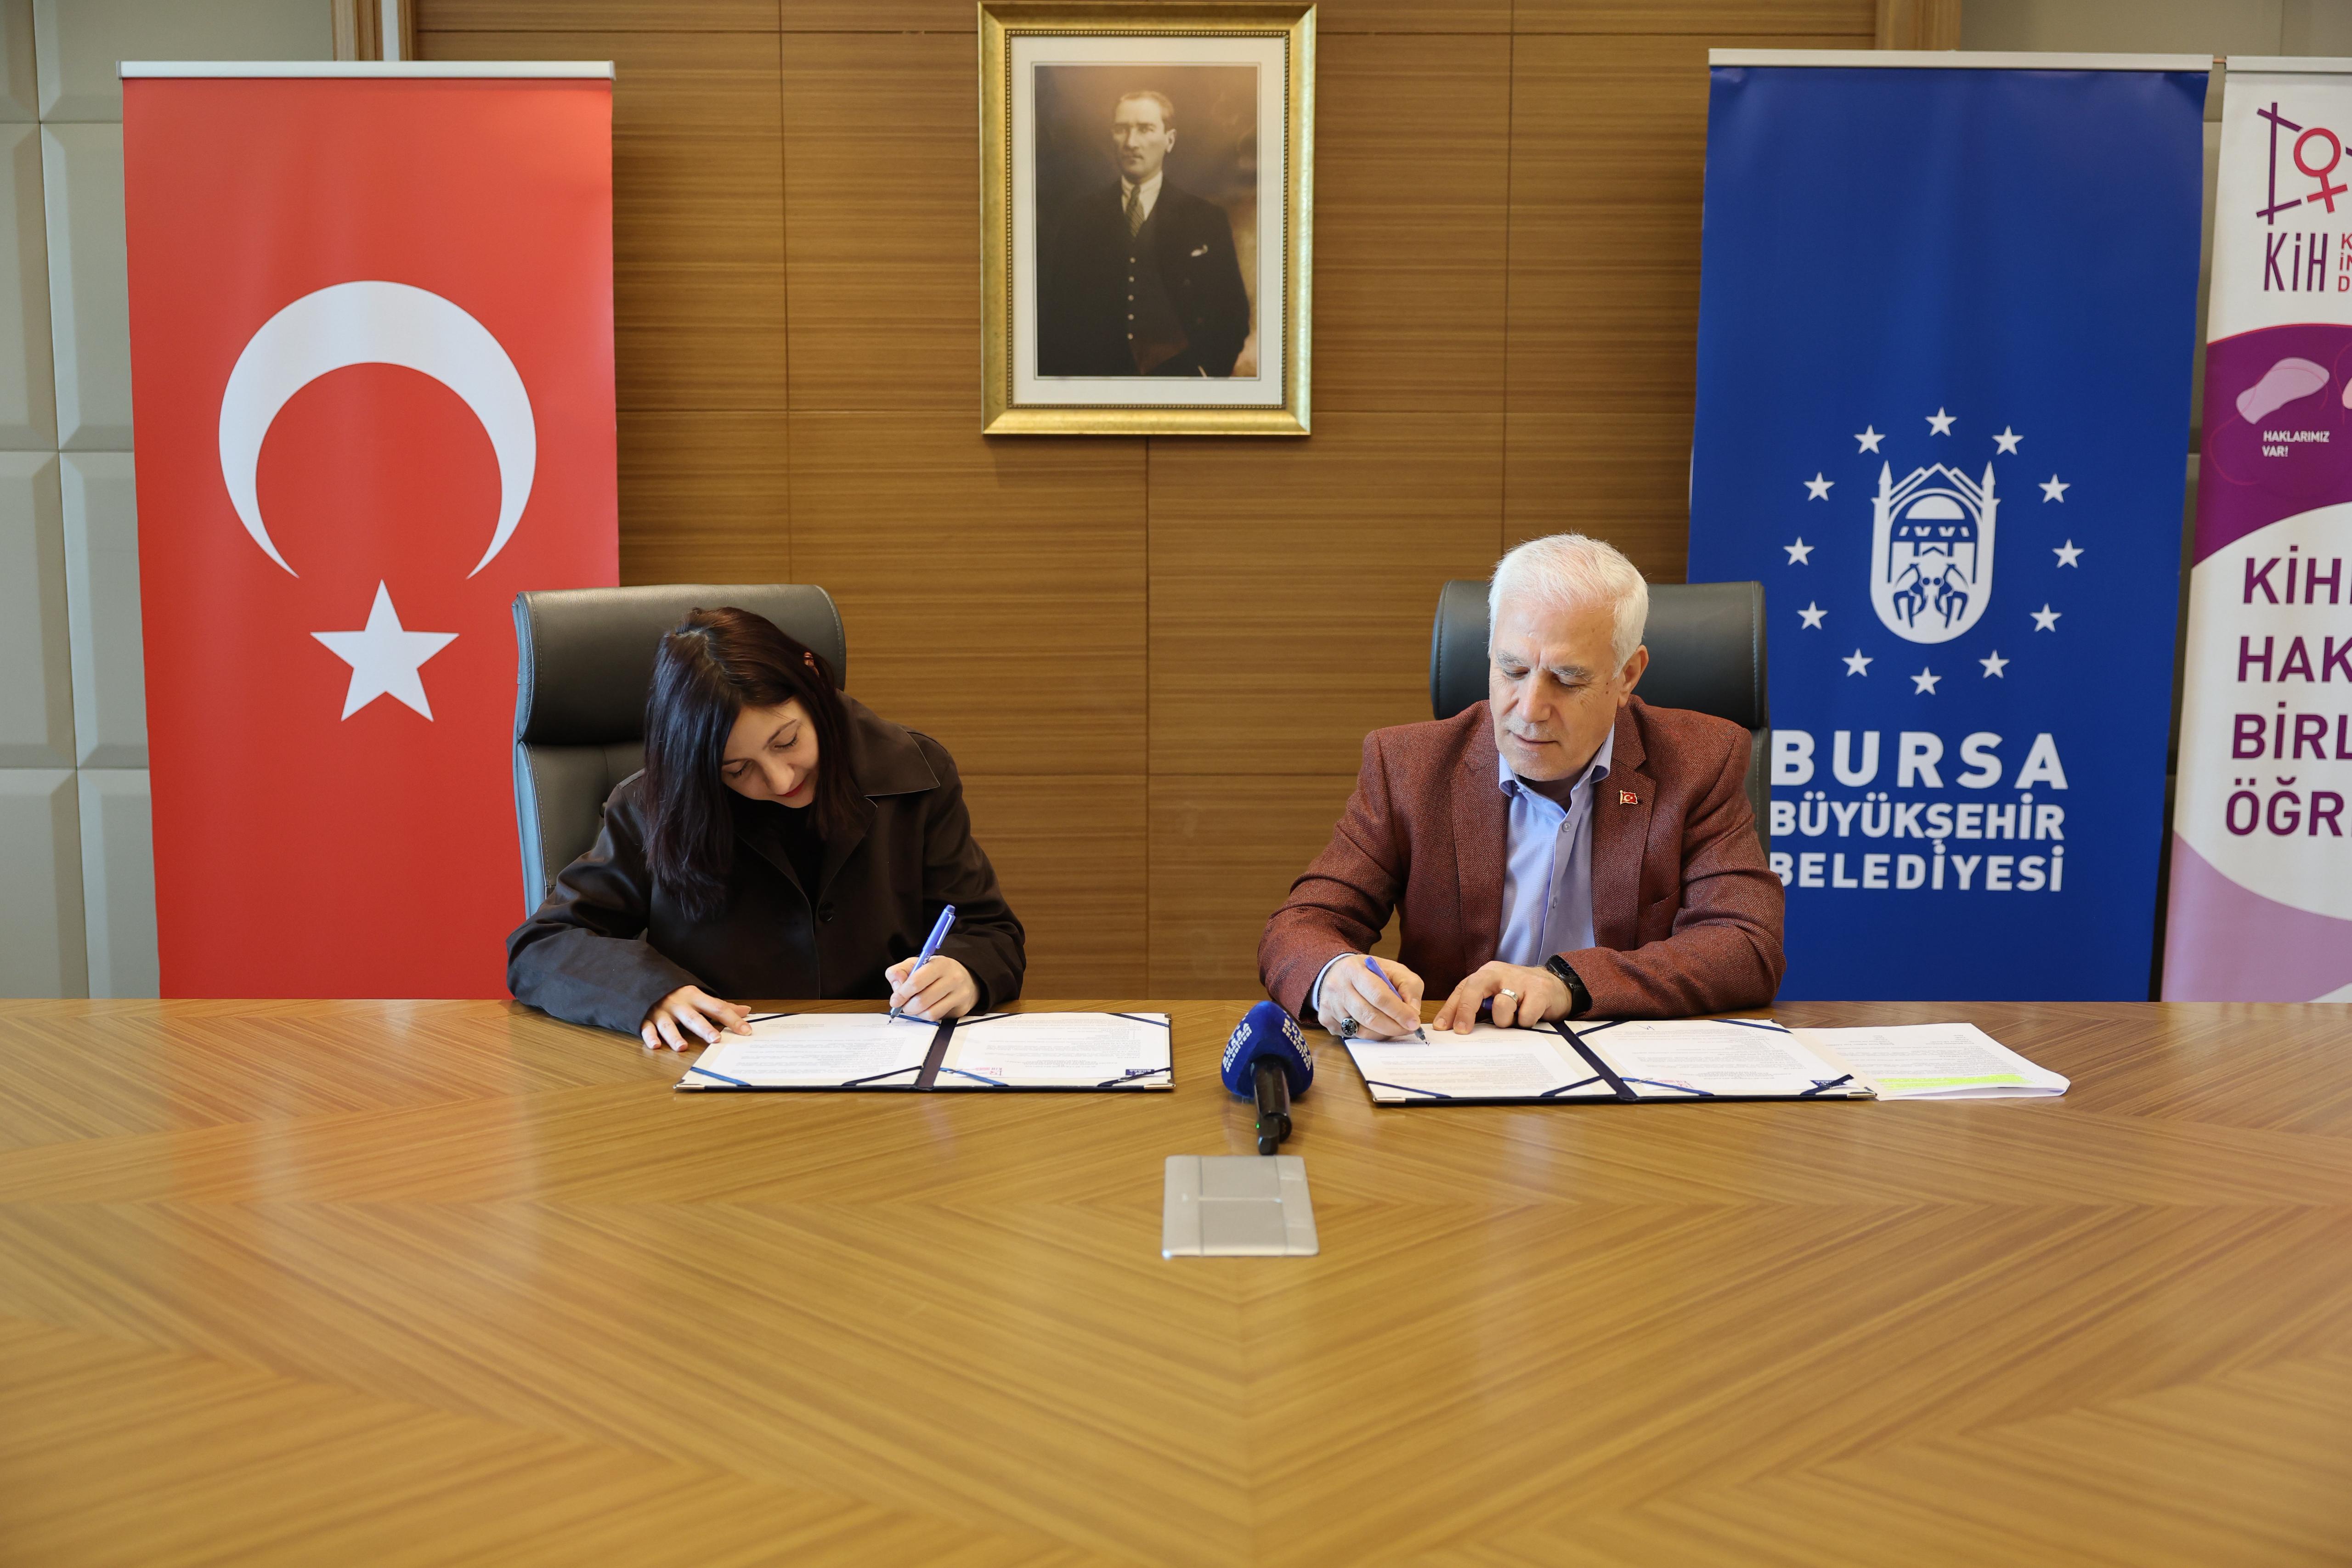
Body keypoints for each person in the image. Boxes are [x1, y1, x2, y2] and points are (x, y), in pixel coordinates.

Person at [1259, 534, 1785, 1038]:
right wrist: (1334, 975)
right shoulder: (1408, 767)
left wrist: (1568, 984)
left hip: (1629, 1071)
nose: (1529, 710)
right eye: (1511, 670)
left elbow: (1745, 945)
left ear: (1626, 675)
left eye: (1568, 679)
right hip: (1456, 1061)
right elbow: (1302, 926)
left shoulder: (1699, 762)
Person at [508, 607, 1025, 1049]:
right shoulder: (652, 806)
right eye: (737, 770)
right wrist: (649, 991)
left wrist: (965, 972)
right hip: (716, 1066)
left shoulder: (916, 773)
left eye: (787, 742)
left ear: (813, 681)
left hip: (888, 1065)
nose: (780, 780)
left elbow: (990, 931)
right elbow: (541, 947)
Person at [1036, 88, 1252, 378]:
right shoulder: (1080, 217)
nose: (1131, 142)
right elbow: (1057, 315)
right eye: (1121, 129)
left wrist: (1205, 372)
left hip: (1179, 379)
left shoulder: (1205, 219)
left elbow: (1232, 312)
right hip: (1098, 381)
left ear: (1169, 140)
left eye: (1145, 129)